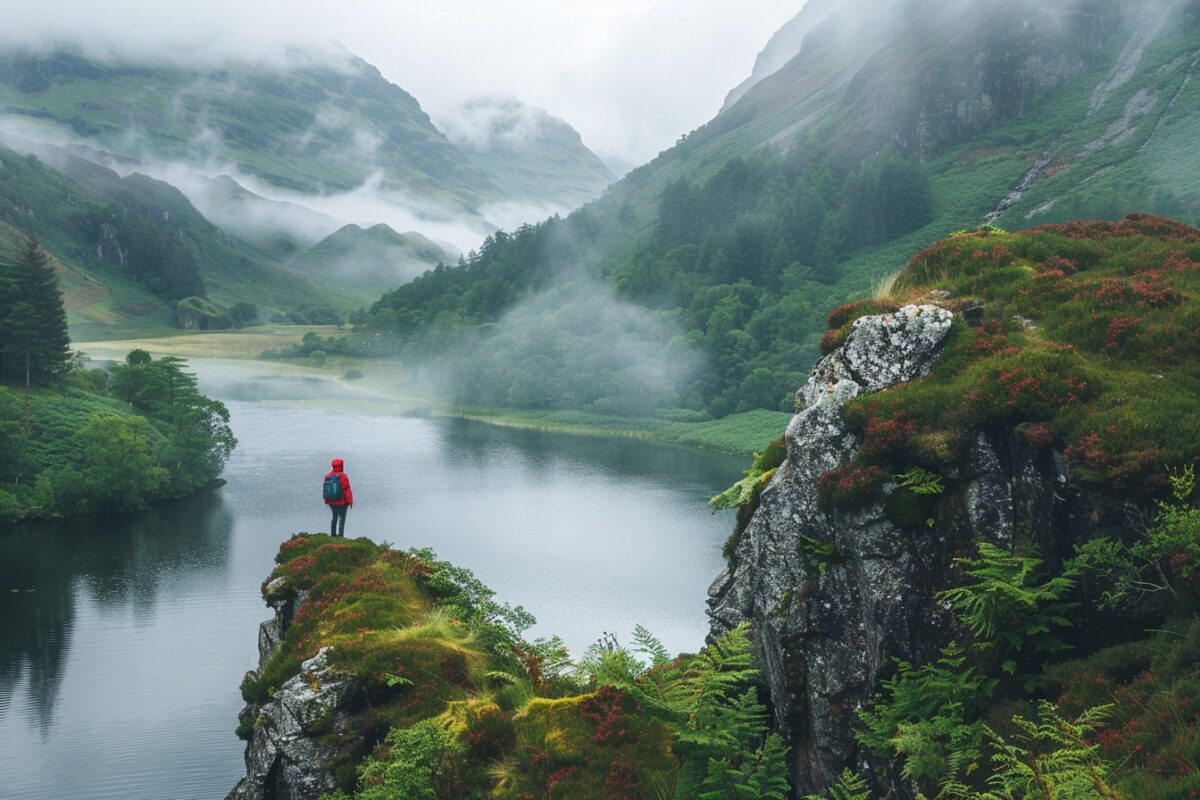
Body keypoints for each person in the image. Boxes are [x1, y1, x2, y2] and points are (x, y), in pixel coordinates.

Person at [323, 457, 354, 537]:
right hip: (342, 502)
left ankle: (333, 535)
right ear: (342, 465)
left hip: (331, 502)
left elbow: (325, 488)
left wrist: (325, 499)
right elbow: (347, 489)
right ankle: (340, 536)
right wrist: (350, 501)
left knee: (334, 517)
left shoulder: (328, 475)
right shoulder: (343, 476)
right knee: (342, 518)